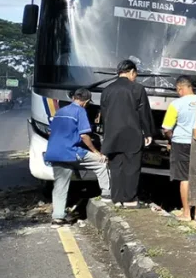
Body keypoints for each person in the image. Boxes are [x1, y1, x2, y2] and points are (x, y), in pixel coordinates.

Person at [42, 88, 110, 227]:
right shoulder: (80, 111)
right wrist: (96, 151)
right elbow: (84, 135)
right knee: (101, 163)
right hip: (71, 152)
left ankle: (57, 218)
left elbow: (50, 132)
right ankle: (107, 195)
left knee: (60, 186)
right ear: (85, 102)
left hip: (54, 153)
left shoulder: (60, 112)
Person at [100, 59, 154, 207]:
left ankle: (117, 198)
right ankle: (129, 199)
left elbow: (104, 116)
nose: (135, 77)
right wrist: (148, 133)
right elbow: (144, 113)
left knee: (116, 167)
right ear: (131, 72)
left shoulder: (107, 90)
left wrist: (107, 135)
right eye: (135, 74)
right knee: (132, 167)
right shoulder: (137, 89)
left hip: (112, 136)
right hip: (132, 134)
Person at [161, 76, 196, 221]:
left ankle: (186, 213)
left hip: (181, 142)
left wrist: (170, 138)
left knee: (184, 178)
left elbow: (166, 128)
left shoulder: (176, 104)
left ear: (180, 88)